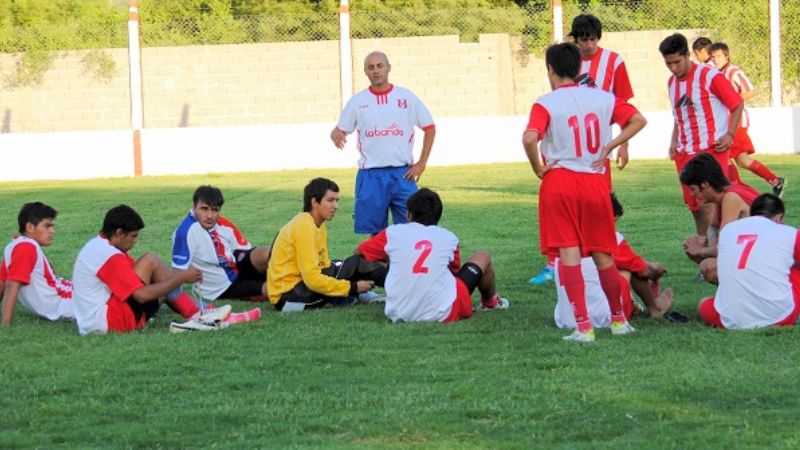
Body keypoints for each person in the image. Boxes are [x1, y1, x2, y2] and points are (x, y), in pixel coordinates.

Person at [522, 42, 647, 342]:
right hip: (594, 181)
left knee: (569, 254)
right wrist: (611, 146)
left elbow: (529, 138)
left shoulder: (546, 103)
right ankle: (619, 321)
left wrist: (538, 167)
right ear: (579, 68)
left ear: (550, 70)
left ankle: (583, 327)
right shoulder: (603, 98)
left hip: (561, 181)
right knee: (603, 252)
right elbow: (639, 120)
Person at [531, 13, 636, 285]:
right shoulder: (564, 64)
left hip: (590, 159)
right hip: (575, 156)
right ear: (575, 40)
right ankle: (560, 265)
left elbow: (625, 106)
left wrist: (620, 145)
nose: (588, 44)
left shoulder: (613, 62)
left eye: (592, 38)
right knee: (575, 218)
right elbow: (635, 118)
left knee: (591, 215)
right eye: (583, 39)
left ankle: (586, 268)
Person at [72, 205, 233, 335]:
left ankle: (199, 312)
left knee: (161, 279)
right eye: (133, 236)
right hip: (108, 322)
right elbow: (141, 296)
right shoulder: (110, 255)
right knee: (151, 261)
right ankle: (200, 315)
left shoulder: (99, 244)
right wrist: (181, 277)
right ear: (119, 233)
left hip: (93, 322)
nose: (135, 241)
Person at [356, 188, 508, 323]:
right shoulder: (448, 237)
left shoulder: (393, 233)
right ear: (438, 216)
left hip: (398, 312)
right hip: (444, 312)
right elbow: (453, 274)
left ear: (409, 214)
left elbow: (360, 253)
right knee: (483, 256)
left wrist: (391, 265)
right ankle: (490, 303)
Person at [330, 51, 436, 235]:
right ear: (365, 72)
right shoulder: (358, 101)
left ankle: (407, 264)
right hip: (371, 175)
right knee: (376, 235)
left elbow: (429, 127)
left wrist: (422, 163)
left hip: (403, 174)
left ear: (388, 68)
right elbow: (340, 129)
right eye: (371, 67)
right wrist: (335, 133)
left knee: (413, 230)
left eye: (380, 66)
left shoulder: (406, 97)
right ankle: (378, 265)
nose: (376, 71)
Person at [659, 33, 744, 239]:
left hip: (710, 151)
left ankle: (718, 255)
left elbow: (736, 103)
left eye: (677, 62)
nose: (673, 68)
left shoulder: (709, 75)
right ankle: (705, 256)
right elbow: (679, 115)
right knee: (695, 208)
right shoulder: (672, 83)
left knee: (710, 204)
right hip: (685, 153)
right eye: (668, 63)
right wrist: (673, 140)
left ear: (688, 55)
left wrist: (730, 134)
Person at [553, 193, 676, 329]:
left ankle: (627, 304)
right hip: (604, 317)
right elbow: (643, 270)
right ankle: (654, 309)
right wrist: (657, 269)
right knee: (628, 268)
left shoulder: (564, 238)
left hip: (566, 320)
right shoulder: (610, 238)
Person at [267, 178, 381, 312]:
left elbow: (324, 266)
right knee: (354, 265)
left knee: (348, 264)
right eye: (330, 200)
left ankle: (352, 296)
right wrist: (352, 287)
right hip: (287, 297)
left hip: (298, 288)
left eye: (337, 200)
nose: (336, 206)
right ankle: (397, 292)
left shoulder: (316, 223)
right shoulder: (305, 226)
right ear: (314, 202)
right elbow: (312, 279)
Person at [698, 194, 799, 329]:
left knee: (704, 304)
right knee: (794, 268)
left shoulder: (728, 230)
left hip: (731, 319)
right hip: (780, 316)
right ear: (778, 217)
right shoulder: (789, 232)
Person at [709, 42, 786, 197]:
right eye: (713, 57)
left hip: (737, 122)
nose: (716, 59)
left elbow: (750, 91)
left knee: (724, 157)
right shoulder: (717, 73)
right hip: (729, 123)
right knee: (742, 160)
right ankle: (775, 181)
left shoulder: (733, 71)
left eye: (718, 56)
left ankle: (735, 190)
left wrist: (731, 100)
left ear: (727, 56)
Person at [172, 185, 271, 302]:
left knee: (267, 253)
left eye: (215, 210)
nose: (209, 216)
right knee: (272, 289)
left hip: (235, 267)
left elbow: (247, 250)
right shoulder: (185, 232)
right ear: (194, 207)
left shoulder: (223, 223)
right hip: (221, 287)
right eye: (204, 209)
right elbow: (177, 272)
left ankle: (292, 273)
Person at [679, 153, 760, 284]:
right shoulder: (724, 194)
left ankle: (739, 298)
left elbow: (726, 246)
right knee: (697, 253)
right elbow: (713, 227)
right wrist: (709, 247)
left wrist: (701, 250)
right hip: (756, 253)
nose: (692, 194)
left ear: (705, 184)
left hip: (767, 258)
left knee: (709, 267)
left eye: (693, 189)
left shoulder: (731, 198)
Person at [0, 202, 74, 325]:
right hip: (66, 303)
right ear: (30, 227)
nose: (52, 231)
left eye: (52, 226)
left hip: (69, 294)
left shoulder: (14, 245)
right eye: (47, 226)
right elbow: (11, 285)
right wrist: (5, 324)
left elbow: (2, 282)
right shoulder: (26, 247)